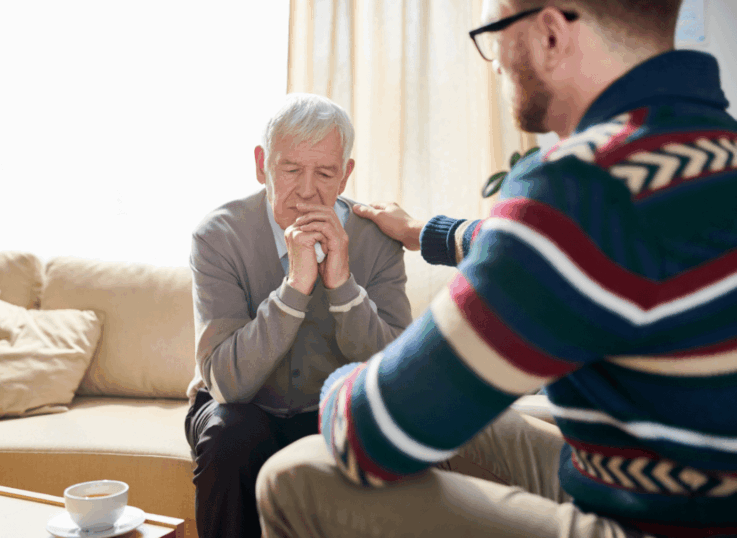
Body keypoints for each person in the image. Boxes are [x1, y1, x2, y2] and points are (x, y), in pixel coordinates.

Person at [254, 1, 737, 537]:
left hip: (660, 524)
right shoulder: (704, 153)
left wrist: (338, 382)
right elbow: (598, 242)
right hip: (680, 486)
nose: (495, 63)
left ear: (550, 35)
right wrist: (423, 231)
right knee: (485, 421)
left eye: (494, 32)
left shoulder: (583, 185)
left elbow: (371, 433)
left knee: (294, 475)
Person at [184, 93, 412, 538]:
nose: (307, 191)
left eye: (324, 173)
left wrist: (342, 286)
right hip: (239, 409)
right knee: (231, 435)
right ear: (261, 165)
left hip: (331, 409)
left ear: (345, 174)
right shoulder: (217, 236)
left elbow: (395, 373)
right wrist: (295, 288)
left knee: (382, 441)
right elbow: (227, 384)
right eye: (290, 170)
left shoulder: (378, 239)